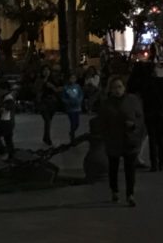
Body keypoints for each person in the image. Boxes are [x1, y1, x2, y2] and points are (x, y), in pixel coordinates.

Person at [94, 75, 145, 205]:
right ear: (110, 89)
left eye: (119, 87)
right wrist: (105, 135)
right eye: (114, 87)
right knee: (113, 168)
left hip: (129, 139)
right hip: (113, 140)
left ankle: (130, 194)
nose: (117, 90)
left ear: (124, 87)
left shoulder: (132, 100)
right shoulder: (106, 104)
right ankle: (115, 191)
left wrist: (134, 126)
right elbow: (101, 122)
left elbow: (139, 118)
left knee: (130, 169)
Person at [60, 71, 85, 143]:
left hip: (77, 107)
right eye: (71, 78)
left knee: (77, 123)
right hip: (70, 109)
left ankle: (72, 132)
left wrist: (79, 100)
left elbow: (81, 94)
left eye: (74, 78)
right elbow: (63, 98)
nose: (72, 79)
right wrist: (68, 102)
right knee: (73, 122)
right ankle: (72, 136)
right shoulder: (66, 88)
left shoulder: (77, 86)